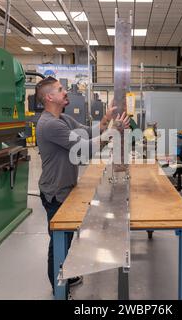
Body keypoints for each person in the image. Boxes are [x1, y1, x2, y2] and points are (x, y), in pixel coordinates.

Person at [35, 76, 130, 295]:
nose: (65, 91)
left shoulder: (64, 119)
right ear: (50, 97)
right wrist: (112, 132)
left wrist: (105, 120)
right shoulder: (49, 125)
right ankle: (58, 287)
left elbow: (88, 132)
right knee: (59, 239)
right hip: (55, 192)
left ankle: (65, 273)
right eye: (60, 89)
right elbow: (84, 149)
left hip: (66, 188)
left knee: (68, 237)